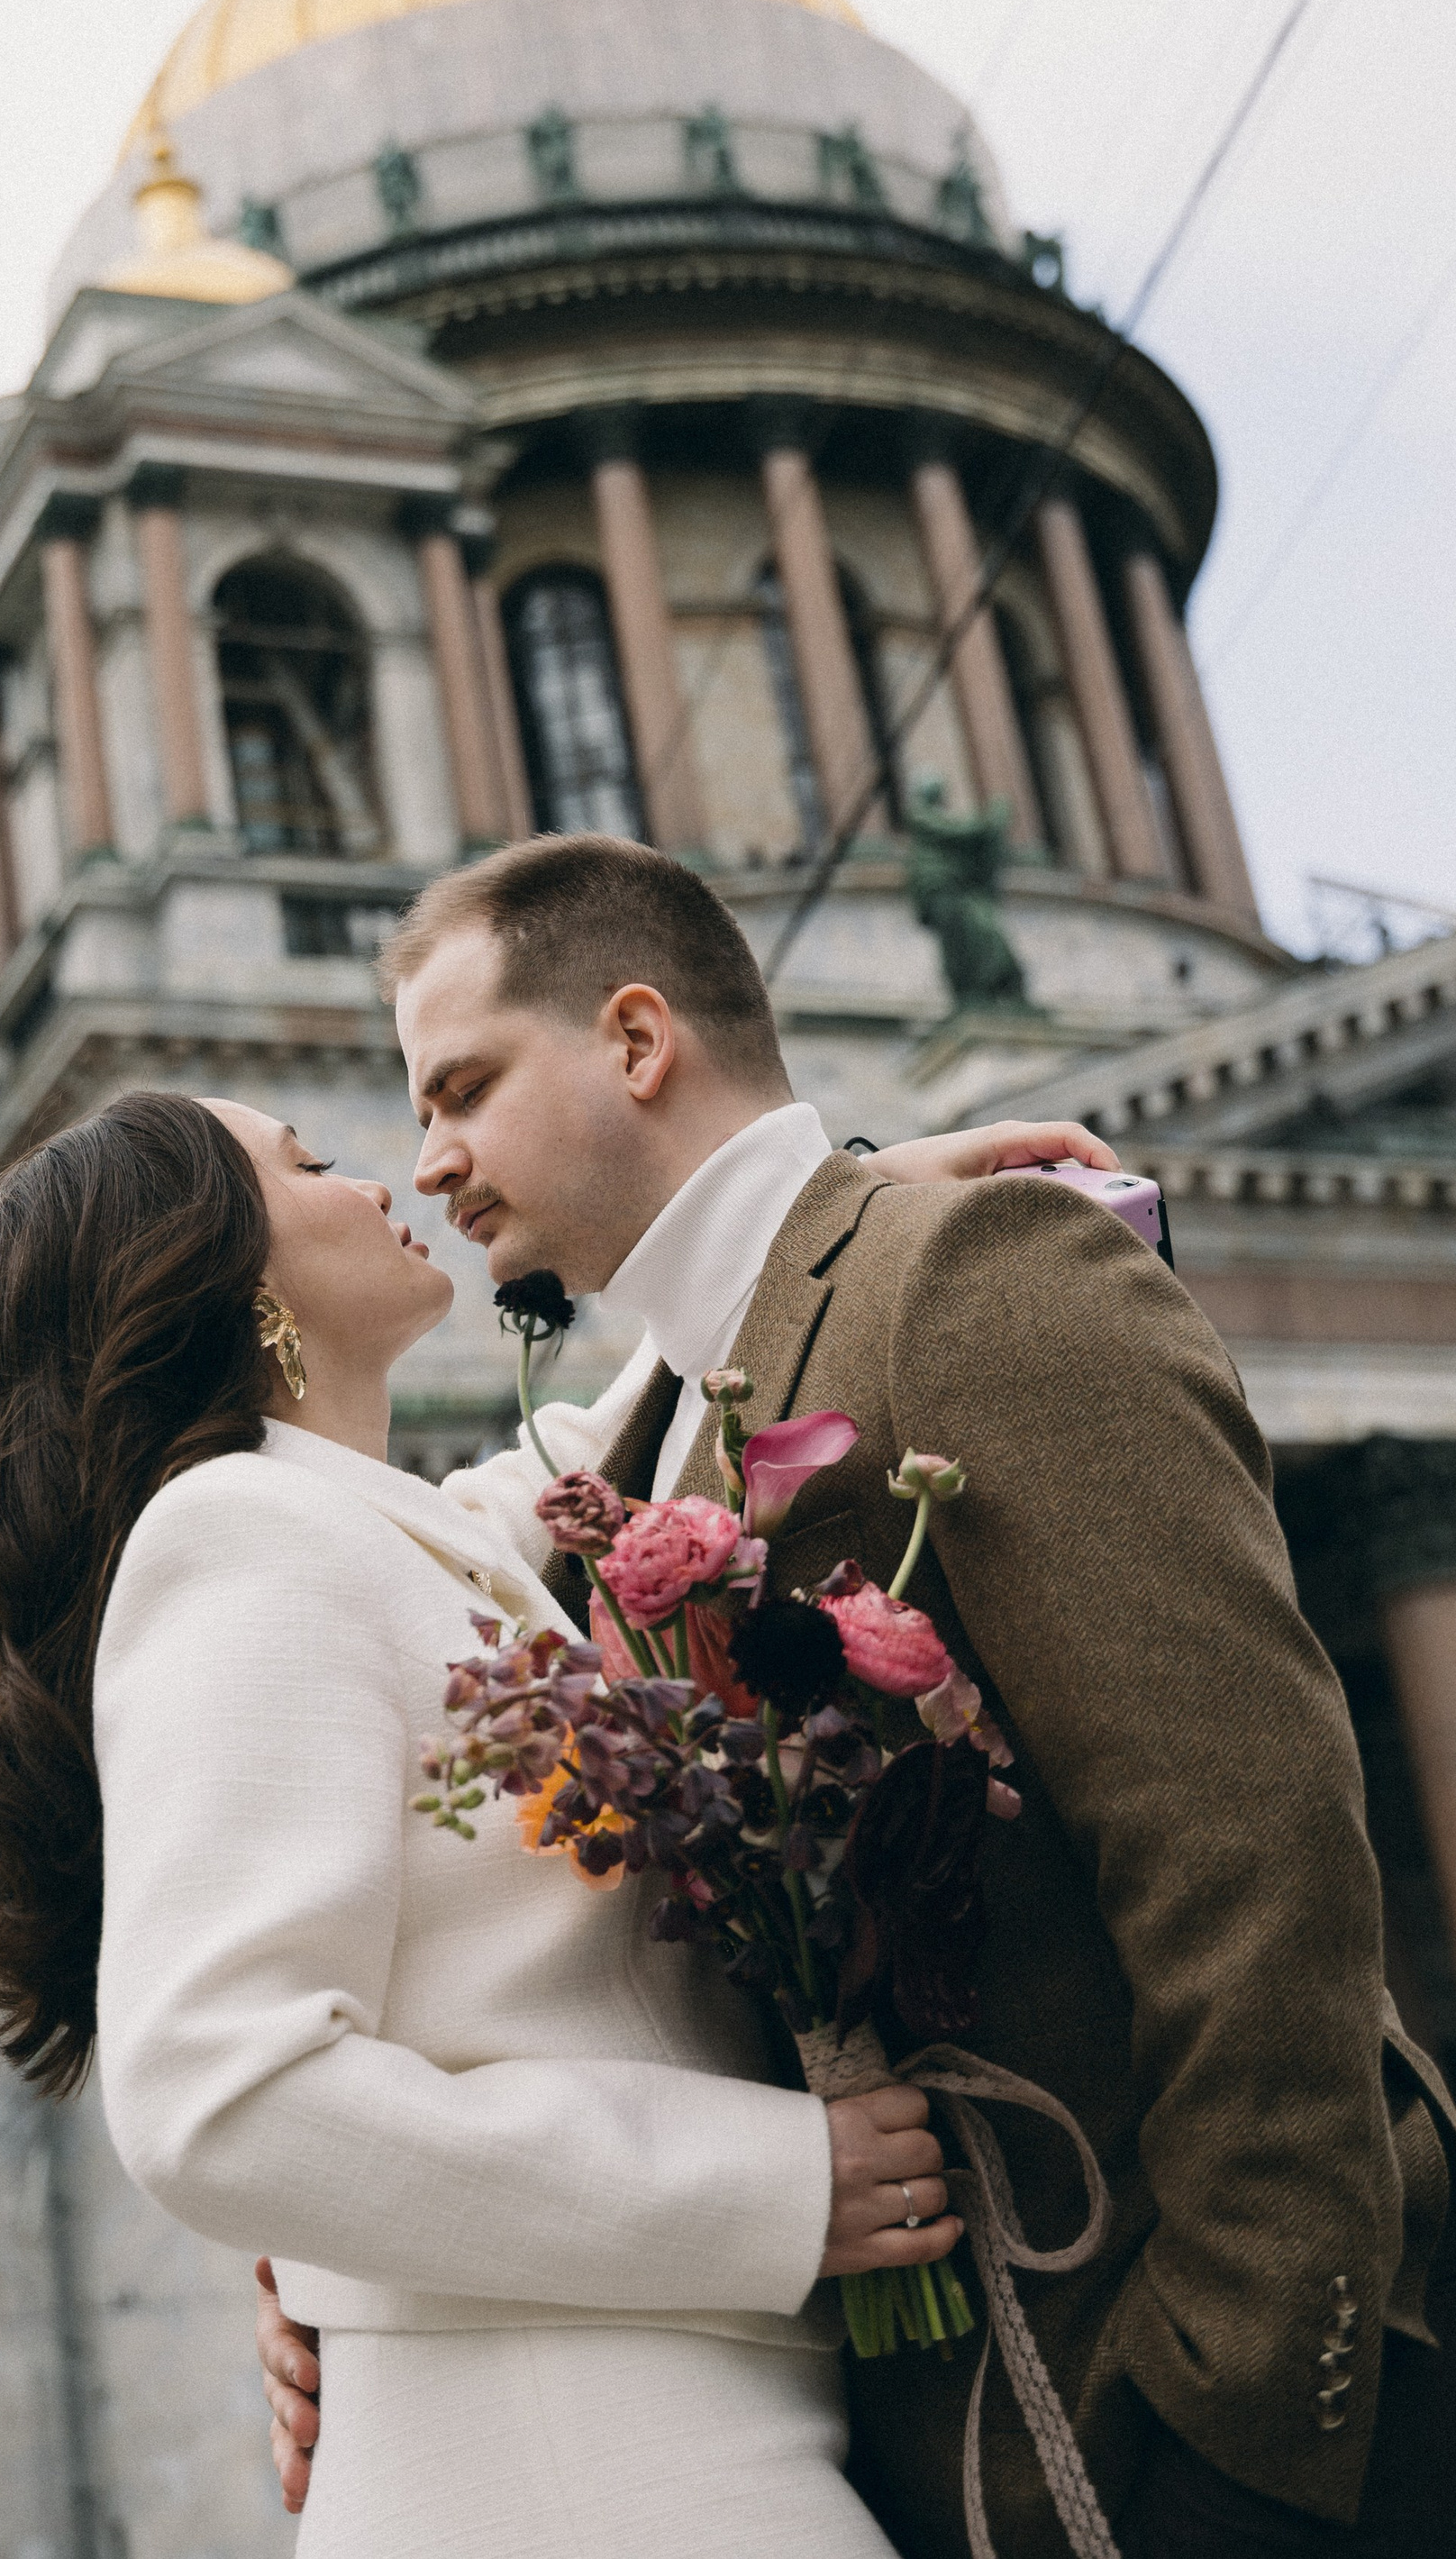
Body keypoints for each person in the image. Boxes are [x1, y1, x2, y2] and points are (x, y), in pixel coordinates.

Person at [254, 833, 1452, 2557]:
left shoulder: (974, 1273)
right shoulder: (654, 1425)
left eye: (463, 1088)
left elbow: (1254, 1850)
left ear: (638, 1037)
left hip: (1191, 2444)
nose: (428, 1159)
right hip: (910, 2451)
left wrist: (1244, 2423)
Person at [0, 1074, 1107, 2553]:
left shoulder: (367, 1528)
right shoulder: (239, 1539)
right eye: (313, 1164)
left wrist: (837, 1219)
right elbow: (225, 2093)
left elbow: (593, 1461)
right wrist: (781, 2186)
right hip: (584, 2465)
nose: (382, 1182)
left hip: (642, 2438)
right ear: (223, 1274)